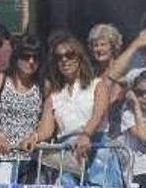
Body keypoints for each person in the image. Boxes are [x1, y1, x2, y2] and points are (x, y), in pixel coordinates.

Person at [31, 34, 108, 184]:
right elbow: (46, 130)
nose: (64, 60)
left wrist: (86, 134)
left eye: (69, 55)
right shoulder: (54, 96)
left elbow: (99, 114)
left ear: (79, 58)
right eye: (59, 57)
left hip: (96, 149)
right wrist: (33, 138)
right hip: (67, 156)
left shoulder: (98, 85)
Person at [0, 34, 44, 184]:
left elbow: (47, 122)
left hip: (30, 160)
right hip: (1, 158)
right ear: (16, 57)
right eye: (26, 56)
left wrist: (34, 137)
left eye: (36, 57)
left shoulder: (43, 85)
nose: (31, 61)